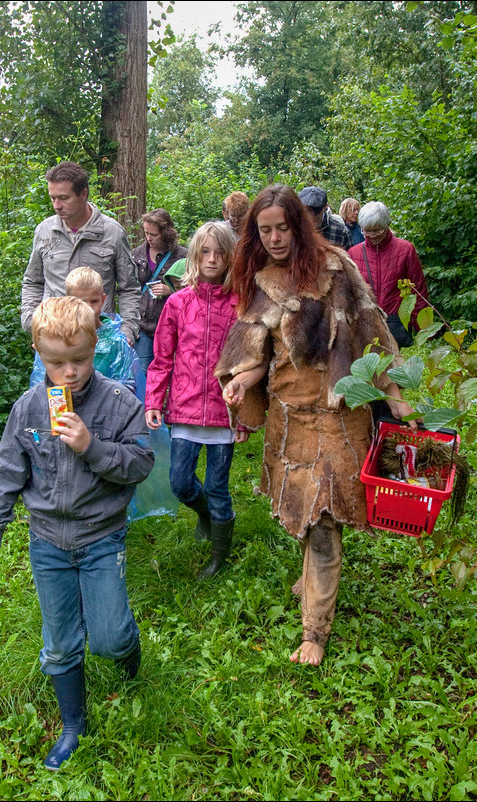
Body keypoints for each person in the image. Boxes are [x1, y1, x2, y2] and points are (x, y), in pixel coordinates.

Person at [214, 185, 418, 667]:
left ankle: (315, 631)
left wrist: (397, 397)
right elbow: (255, 355)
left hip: (341, 415)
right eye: (265, 231)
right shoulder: (262, 281)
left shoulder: (337, 268)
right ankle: (311, 576)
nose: (275, 238)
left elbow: (373, 335)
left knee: (325, 518)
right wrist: (240, 382)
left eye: (282, 228)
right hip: (290, 420)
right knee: (304, 507)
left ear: (299, 225)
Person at [0, 295, 154, 771]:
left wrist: (91, 447)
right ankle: (73, 723)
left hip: (101, 537)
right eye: (56, 362)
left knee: (110, 638)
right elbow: (8, 472)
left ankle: (126, 645)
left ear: (96, 346)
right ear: (38, 353)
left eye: (79, 359)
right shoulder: (29, 409)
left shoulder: (118, 402)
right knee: (59, 639)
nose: (69, 372)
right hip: (48, 541)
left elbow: (141, 461)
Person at [144, 221, 248, 580]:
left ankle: (219, 554)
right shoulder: (177, 304)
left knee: (219, 486)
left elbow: (250, 364)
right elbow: (162, 357)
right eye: (205, 252)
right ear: (195, 255)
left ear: (230, 257)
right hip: (185, 408)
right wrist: (154, 400)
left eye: (220, 253)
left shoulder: (240, 305)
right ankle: (203, 513)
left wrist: (246, 416)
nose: (212, 259)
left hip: (225, 413)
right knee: (181, 482)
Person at [20, 161, 141, 345]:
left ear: (83, 194)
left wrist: (127, 331)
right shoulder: (44, 231)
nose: (56, 205)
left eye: (63, 198)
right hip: (53, 337)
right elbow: (33, 282)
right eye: (53, 198)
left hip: (100, 339)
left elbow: (129, 288)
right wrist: (32, 322)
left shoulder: (112, 233)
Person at [28, 267, 138, 394]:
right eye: (81, 302)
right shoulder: (56, 337)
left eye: (94, 301)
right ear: (69, 301)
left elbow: (126, 384)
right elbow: (40, 382)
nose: (89, 308)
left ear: (103, 300)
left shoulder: (115, 341)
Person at [346, 201, 431, 349]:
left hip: (398, 325)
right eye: (367, 231)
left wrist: (422, 329)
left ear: (387, 225)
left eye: (377, 230)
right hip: (366, 326)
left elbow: (418, 290)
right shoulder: (353, 253)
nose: (372, 235)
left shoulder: (405, 250)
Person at [130, 209, 188, 397]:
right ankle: (144, 417)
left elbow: (193, 290)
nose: (148, 238)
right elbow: (128, 289)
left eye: (153, 234)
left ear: (165, 232)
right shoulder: (137, 254)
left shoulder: (182, 256)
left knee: (173, 375)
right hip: (144, 326)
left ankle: (169, 417)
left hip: (173, 327)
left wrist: (170, 291)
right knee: (142, 374)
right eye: (146, 233)